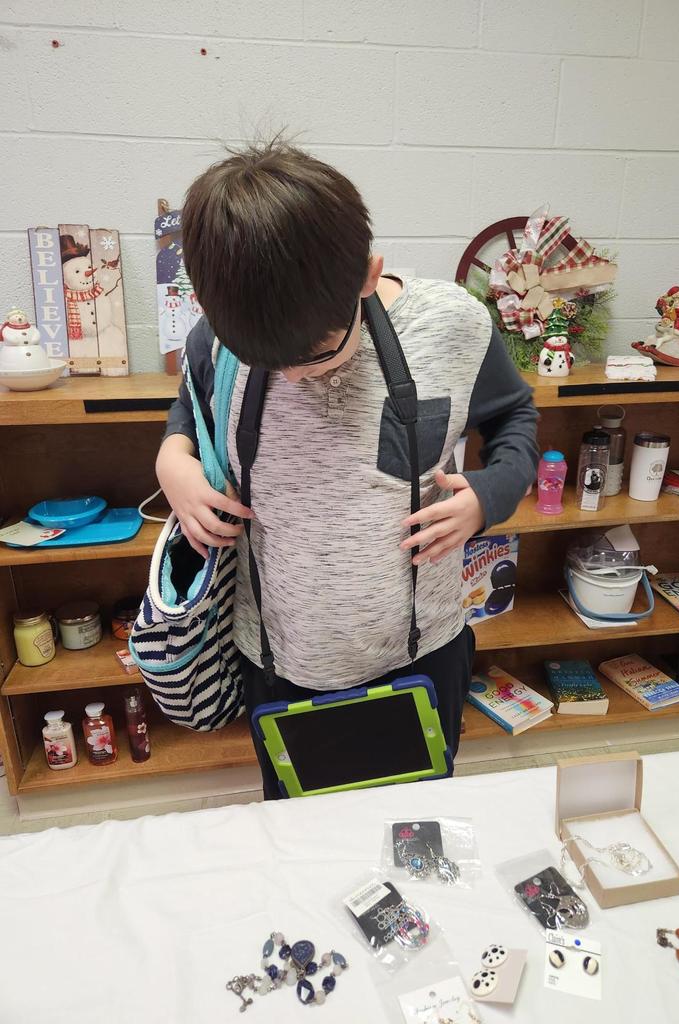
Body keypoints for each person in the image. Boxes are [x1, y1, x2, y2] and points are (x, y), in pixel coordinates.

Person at [158, 138, 538, 799]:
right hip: (279, 664)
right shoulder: (217, 340)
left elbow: (515, 418)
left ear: (367, 275)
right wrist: (173, 463)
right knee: (298, 839)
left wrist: (488, 495)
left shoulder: (451, 325)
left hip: (423, 656)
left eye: (315, 353)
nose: (294, 376)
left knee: (416, 829)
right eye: (269, 363)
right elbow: (189, 417)